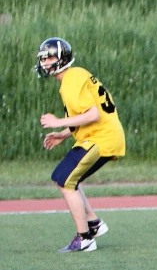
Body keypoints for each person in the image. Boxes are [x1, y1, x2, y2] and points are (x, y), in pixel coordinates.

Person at [37, 37, 125, 252]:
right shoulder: (75, 76)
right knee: (63, 178)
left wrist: (58, 122)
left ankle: (85, 238)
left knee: (66, 180)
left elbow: (92, 114)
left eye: (49, 57)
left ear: (60, 59)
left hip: (100, 137)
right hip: (98, 135)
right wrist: (63, 134)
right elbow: (85, 114)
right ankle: (93, 223)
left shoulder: (71, 80)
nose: (44, 62)